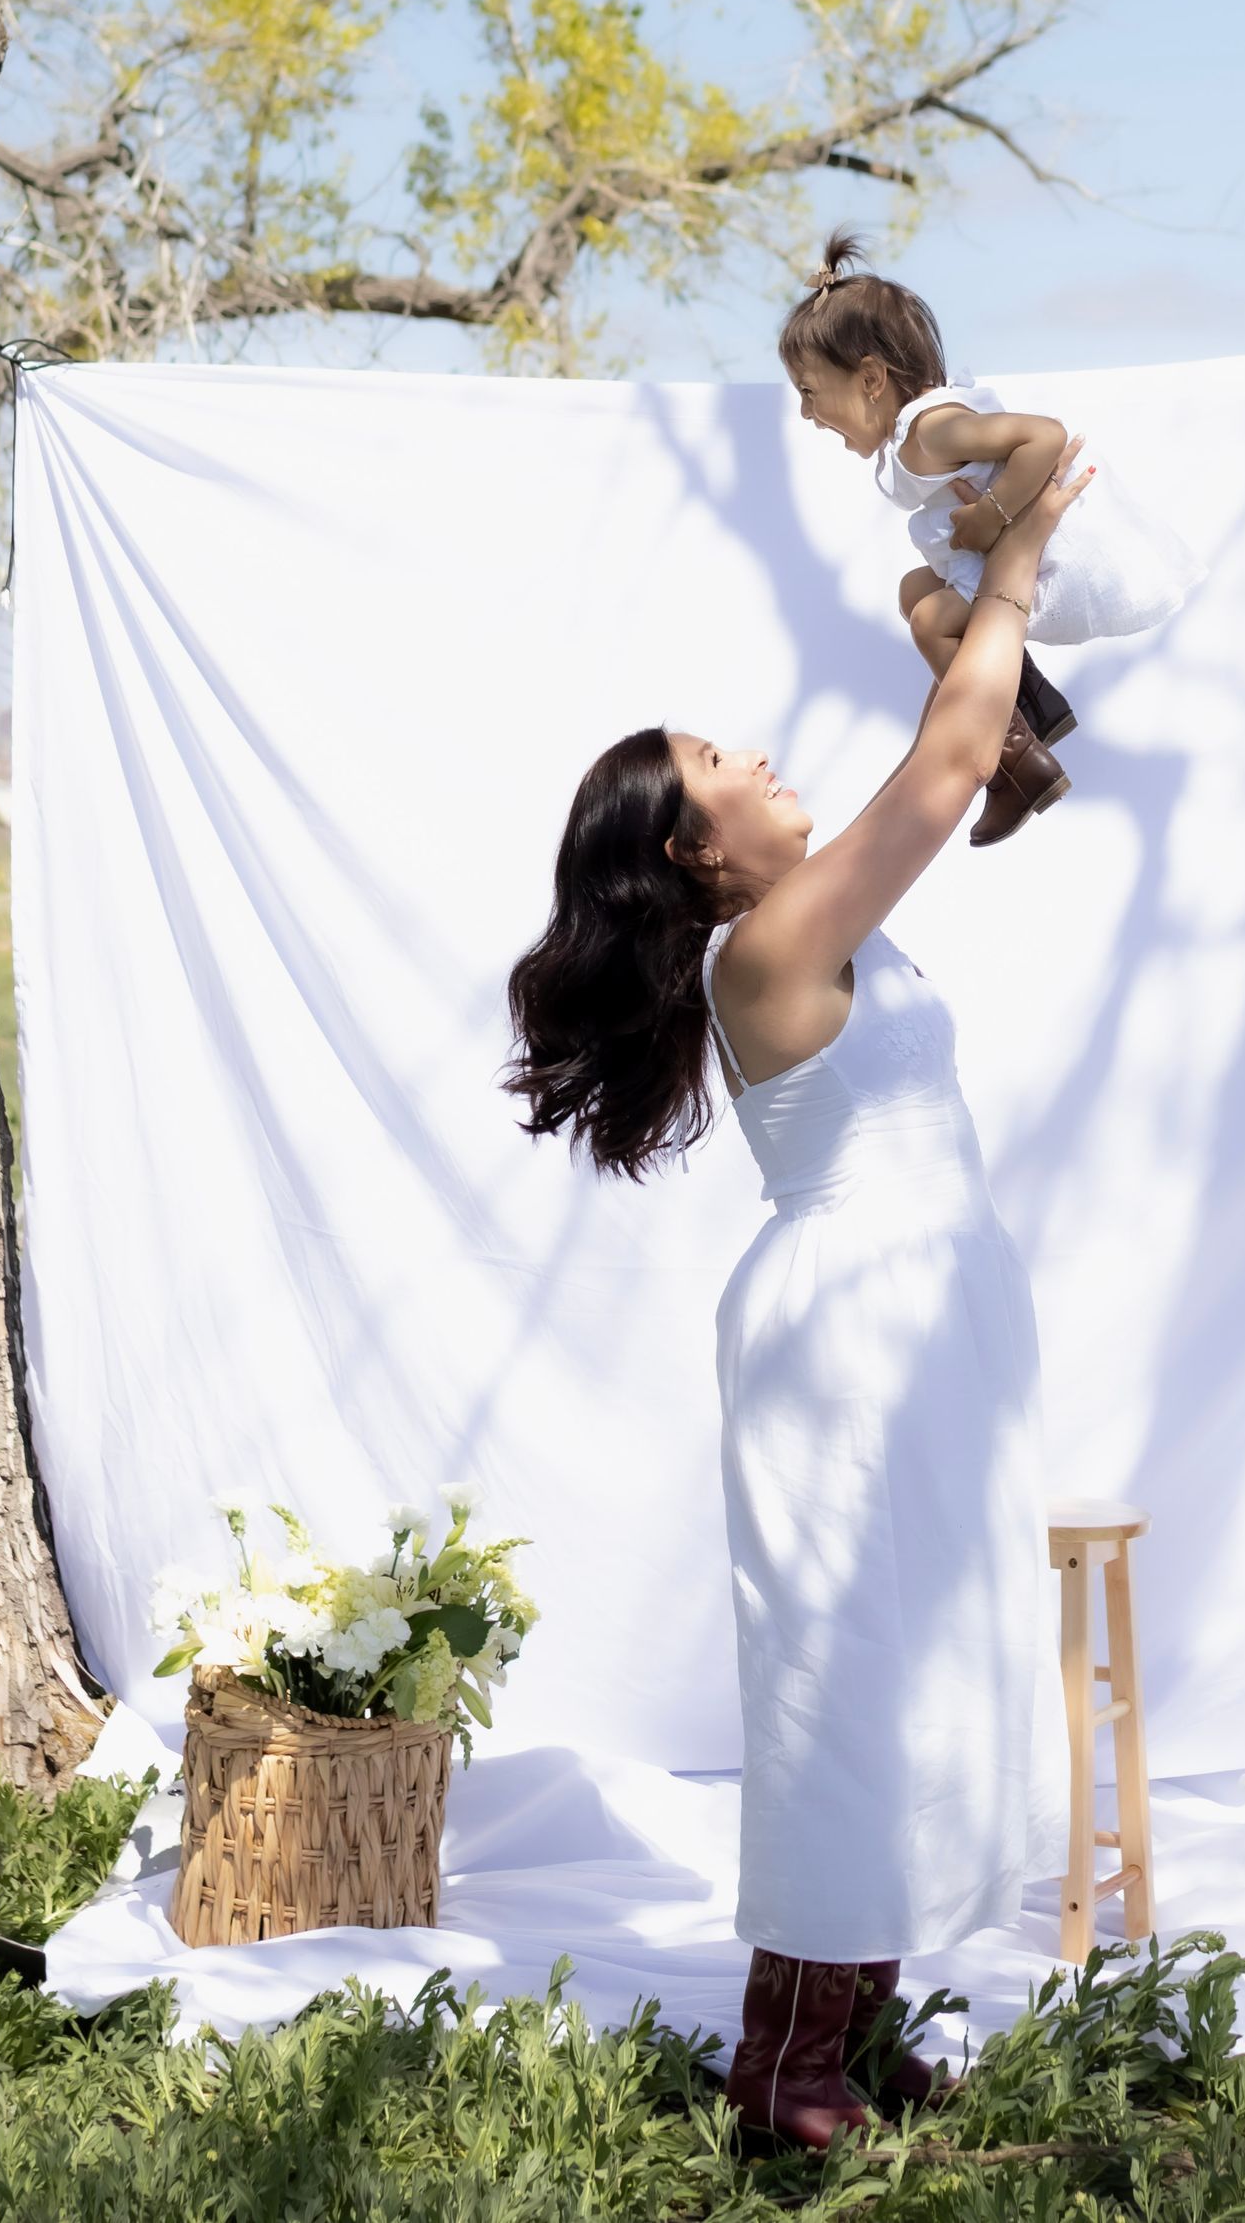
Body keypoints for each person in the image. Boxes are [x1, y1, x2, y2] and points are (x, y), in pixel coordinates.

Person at [502, 443, 1091, 2148]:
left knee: (925, 1663)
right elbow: (957, 755)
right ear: (695, 857)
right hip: (844, 1330)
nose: (757, 755)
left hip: (934, 1308)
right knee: (839, 1681)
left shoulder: (833, 924)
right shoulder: (765, 951)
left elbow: (986, 749)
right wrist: (1022, 555)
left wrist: (959, 593)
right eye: (716, 763)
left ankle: (866, 2018)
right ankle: (787, 2068)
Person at [779, 229, 1201, 846]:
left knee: (931, 622)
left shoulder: (933, 429)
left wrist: (994, 514)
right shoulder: (911, 436)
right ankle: (1033, 707)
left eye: (810, 394)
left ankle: (1016, 764)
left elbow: (1046, 435)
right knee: (912, 589)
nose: (806, 415)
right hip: (1001, 557)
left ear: (871, 378)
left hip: (1048, 563)